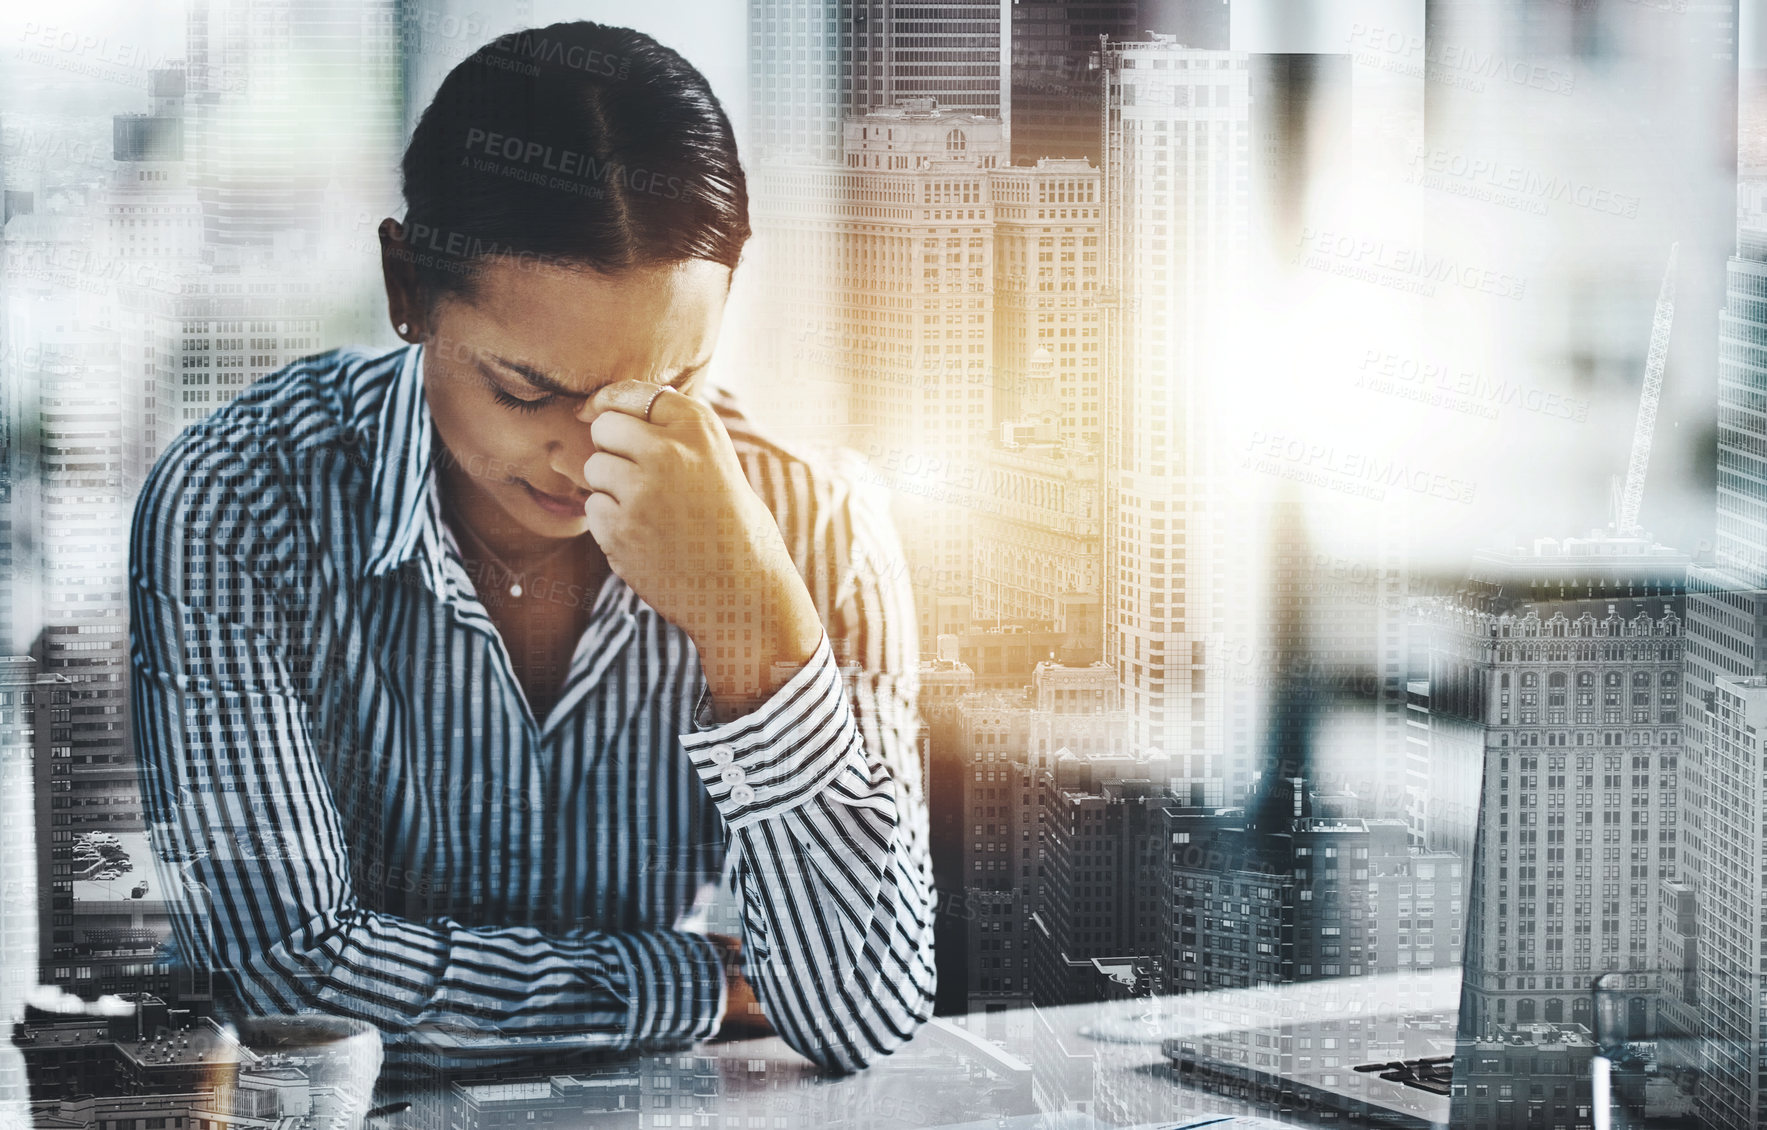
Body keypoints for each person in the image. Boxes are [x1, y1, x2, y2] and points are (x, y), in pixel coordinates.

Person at [128, 20, 935, 1077]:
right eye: (526, 390)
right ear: (406, 284)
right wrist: (704, 981)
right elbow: (287, 979)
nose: (587, 452)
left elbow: (863, 1011)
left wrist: (756, 624)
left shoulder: (816, 524)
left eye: (663, 390)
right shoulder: (237, 501)